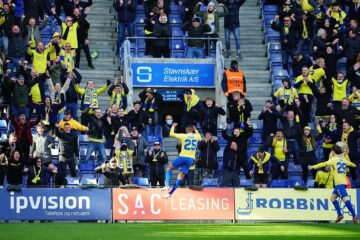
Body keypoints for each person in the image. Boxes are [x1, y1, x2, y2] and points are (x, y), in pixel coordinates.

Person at [309, 145, 358, 224]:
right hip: (343, 182)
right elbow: (352, 164)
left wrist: (313, 167)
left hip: (339, 184)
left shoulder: (334, 159)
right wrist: (354, 165)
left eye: (331, 151)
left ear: (333, 151)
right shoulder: (343, 160)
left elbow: (324, 164)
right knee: (332, 198)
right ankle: (339, 215)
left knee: (345, 199)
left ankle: (354, 215)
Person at [163, 123, 202, 198]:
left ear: (186, 130)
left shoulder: (184, 136)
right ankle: (170, 193)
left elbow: (171, 134)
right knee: (180, 177)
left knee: (169, 168)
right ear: (192, 130)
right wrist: (196, 130)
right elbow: (200, 138)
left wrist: (173, 126)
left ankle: (167, 186)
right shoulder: (196, 136)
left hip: (182, 157)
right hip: (190, 159)